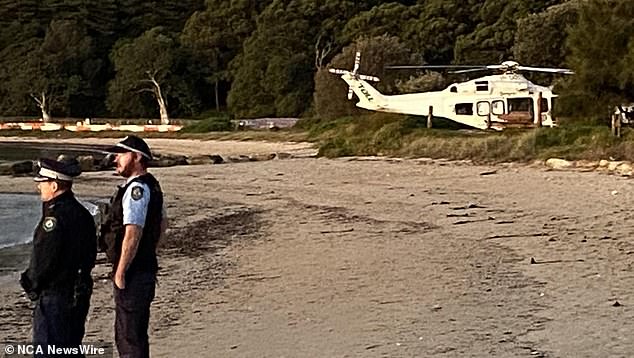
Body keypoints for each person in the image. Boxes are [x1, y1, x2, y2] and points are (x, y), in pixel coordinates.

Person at [20, 157, 97, 355]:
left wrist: (30, 283)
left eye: (42, 183)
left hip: (56, 295)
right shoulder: (83, 213)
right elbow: (90, 253)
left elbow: (44, 257)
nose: (39, 188)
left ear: (54, 185)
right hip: (78, 291)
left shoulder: (54, 219)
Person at [99, 135, 167, 358]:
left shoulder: (136, 189)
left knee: (129, 336)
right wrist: (150, 252)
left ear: (137, 157)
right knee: (134, 334)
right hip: (143, 268)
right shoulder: (152, 185)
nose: (115, 159)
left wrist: (120, 271)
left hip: (133, 272)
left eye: (121, 154)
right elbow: (162, 225)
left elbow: (133, 231)